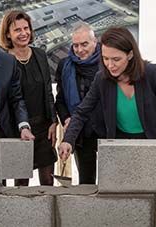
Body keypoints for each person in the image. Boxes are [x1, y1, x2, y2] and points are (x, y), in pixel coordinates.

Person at [58, 27, 156, 160]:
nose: (110, 65)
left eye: (116, 59)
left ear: (130, 54)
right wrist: (67, 140)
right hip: (119, 145)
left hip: (152, 143)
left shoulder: (151, 73)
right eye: (105, 59)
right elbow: (81, 112)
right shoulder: (102, 79)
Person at [0, 10, 57, 186]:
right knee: (21, 183)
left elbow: (48, 90)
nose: (24, 33)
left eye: (26, 28)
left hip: (44, 128)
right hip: (18, 130)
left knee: (48, 181)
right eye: (17, 30)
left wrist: (53, 121)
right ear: (8, 33)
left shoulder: (40, 54)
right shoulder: (3, 60)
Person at [55, 22, 101, 184]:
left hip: (106, 130)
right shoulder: (65, 66)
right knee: (86, 182)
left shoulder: (107, 62)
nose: (80, 50)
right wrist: (67, 118)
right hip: (79, 131)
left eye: (84, 44)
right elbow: (60, 100)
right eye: (75, 45)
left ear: (95, 42)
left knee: (110, 181)